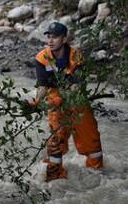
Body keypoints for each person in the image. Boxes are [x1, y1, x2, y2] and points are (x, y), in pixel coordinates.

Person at [28, 22, 103, 182]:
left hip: (77, 102)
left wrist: (62, 98)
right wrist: (36, 101)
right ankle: (55, 178)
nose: (50, 40)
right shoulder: (42, 58)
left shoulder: (75, 56)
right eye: (48, 37)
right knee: (55, 142)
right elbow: (43, 85)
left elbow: (76, 85)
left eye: (54, 37)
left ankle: (97, 175)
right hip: (55, 102)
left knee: (91, 139)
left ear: (64, 39)